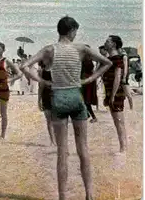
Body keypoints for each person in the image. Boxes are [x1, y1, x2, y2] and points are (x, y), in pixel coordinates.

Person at [19, 16, 112, 200]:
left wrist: (44, 81)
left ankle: (63, 196)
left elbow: (24, 66)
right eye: (75, 31)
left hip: (58, 96)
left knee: (62, 151)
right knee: (83, 148)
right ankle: (89, 194)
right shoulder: (81, 48)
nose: (76, 34)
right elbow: (107, 63)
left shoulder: (49, 49)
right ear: (71, 31)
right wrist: (89, 79)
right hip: (76, 95)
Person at [102, 35, 131, 154]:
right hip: (111, 92)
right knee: (117, 121)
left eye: (107, 41)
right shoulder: (110, 59)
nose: (105, 42)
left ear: (113, 44)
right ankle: (123, 147)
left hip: (116, 92)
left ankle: (123, 148)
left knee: (119, 121)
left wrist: (112, 95)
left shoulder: (117, 58)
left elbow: (117, 78)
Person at [38, 61, 55, 146]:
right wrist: (39, 100)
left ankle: (58, 139)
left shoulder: (57, 69)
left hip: (57, 96)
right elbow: (41, 86)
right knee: (49, 120)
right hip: (46, 96)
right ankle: (52, 141)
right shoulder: (42, 71)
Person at [81, 46, 98, 123]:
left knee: (85, 100)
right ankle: (88, 114)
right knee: (85, 100)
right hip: (88, 81)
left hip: (86, 81)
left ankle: (92, 116)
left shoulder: (85, 59)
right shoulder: (89, 58)